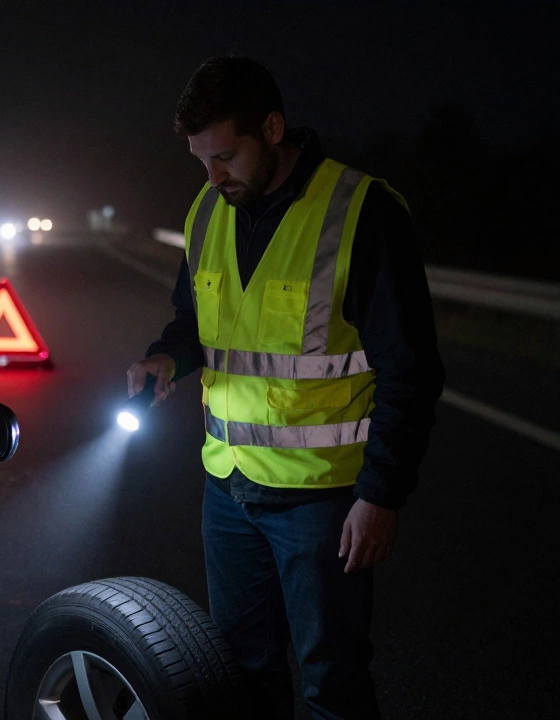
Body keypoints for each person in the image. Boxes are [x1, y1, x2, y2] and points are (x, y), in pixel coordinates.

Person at [126, 56, 444, 719]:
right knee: (241, 677)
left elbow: (410, 369)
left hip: (321, 501)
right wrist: (166, 359)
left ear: (273, 129)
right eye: (201, 161)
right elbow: (193, 323)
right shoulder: (208, 210)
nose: (213, 178)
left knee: (333, 682)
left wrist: (381, 494)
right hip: (228, 488)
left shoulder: (361, 211)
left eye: (225, 156)